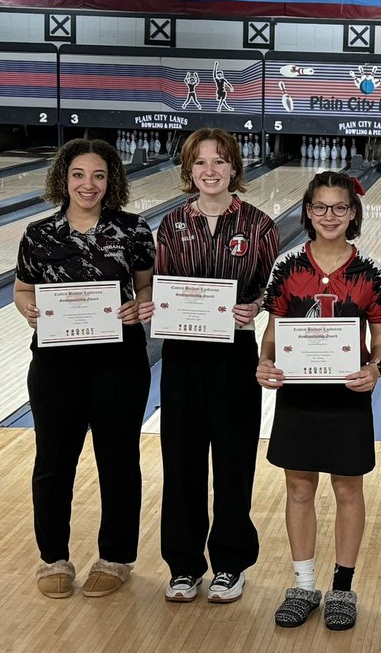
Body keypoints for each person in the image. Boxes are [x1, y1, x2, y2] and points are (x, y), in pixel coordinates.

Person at [12, 138, 154, 599]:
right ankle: (53, 557)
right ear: (64, 178)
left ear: (111, 180)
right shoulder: (38, 234)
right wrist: (29, 309)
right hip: (56, 362)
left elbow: (147, 289)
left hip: (119, 361)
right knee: (53, 461)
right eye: (78, 174)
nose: (87, 184)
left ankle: (115, 558)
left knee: (118, 460)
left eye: (98, 175)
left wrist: (140, 307)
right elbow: (22, 290)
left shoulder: (133, 231)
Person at [256, 170, 381, 631]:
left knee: (348, 489)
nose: (329, 216)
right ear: (307, 211)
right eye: (320, 207)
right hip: (298, 394)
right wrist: (265, 362)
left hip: (347, 395)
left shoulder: (367, 270)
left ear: (353, 213)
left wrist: (376, 368)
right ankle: (303, 584)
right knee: (298, 488)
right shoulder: (288, 267)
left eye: (339, 208)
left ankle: (343, 588)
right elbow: (273, 328)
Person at [154, 129, 279, 604]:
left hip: (234, 352)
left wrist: (256, 307)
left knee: (233, 461)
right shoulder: (170, 225)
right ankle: (184, 566)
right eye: (201, 162)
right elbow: (164, 286)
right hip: (184, 355)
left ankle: (230, 564)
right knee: (181, 461)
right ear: (189, 170)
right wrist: (155, 307)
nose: (210, 170)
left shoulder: (260, 225)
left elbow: (270, 291)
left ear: (234, 169)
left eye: (220, 161)